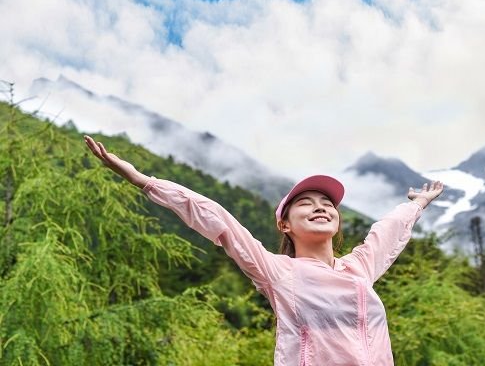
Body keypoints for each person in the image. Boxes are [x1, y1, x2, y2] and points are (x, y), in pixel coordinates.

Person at [84, 135, 444, 366]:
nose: (321, 206)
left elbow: (387, 232)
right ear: (285, 225)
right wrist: (146, 182)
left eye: (327, 203)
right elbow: (218, 219)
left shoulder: (359, 269)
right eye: (306, 203)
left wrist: (417, 203)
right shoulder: (279, 273)